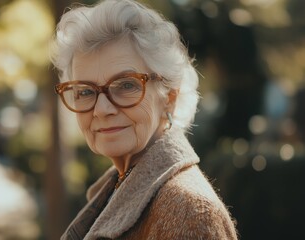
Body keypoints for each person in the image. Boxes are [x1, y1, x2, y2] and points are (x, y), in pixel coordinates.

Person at [51, 0, 238, 239]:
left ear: (169, 97)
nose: (101, 109)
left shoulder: (189, 212)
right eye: (85, 91)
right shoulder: (116, 190)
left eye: (126, 85)